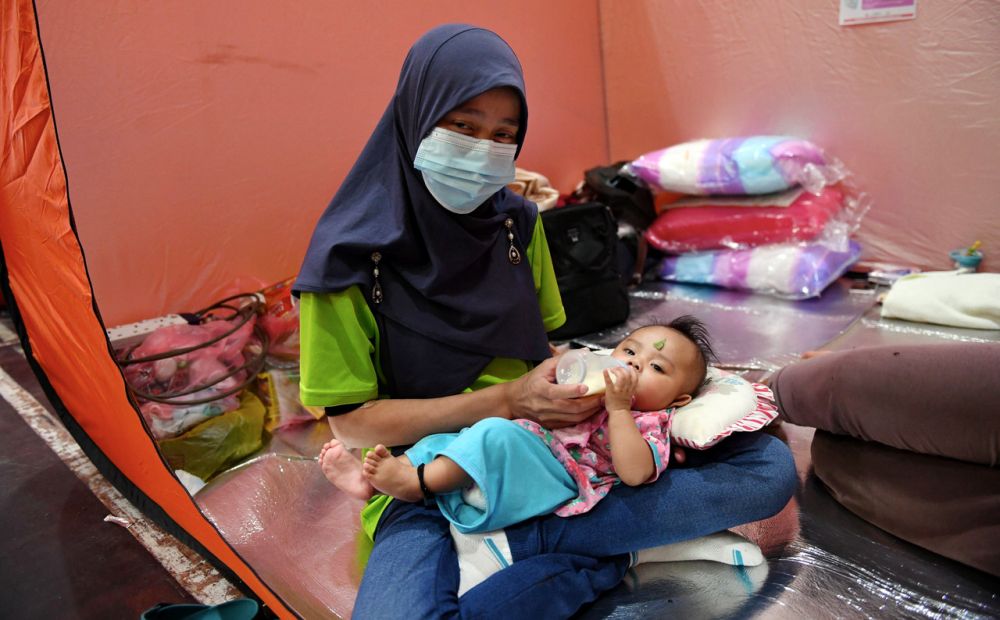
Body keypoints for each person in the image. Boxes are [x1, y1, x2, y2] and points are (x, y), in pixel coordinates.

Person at [295, 23, 797, 619]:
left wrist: (594, 402)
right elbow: (351, 428)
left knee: (767, 470)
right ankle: (597, 548)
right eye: (462, 127)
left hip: (561, 466)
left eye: (503, 135)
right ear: (415, 116)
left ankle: (545, 537)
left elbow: (545, 352)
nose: (483, 151)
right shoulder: (346, 263)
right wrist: (509, 401)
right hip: (427, 476)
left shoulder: (515, 226)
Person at [323, 318, 727, 533]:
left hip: (561, 476)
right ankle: (374, 486)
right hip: (529, 446)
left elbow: (635, 473)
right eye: (629, 350)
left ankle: (417, 485)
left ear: (679, 400)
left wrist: (620, 411)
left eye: (656, 367)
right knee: (448, 438)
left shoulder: (650, 420)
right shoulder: (596, 386)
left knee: (493, 436)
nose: (636, 364)